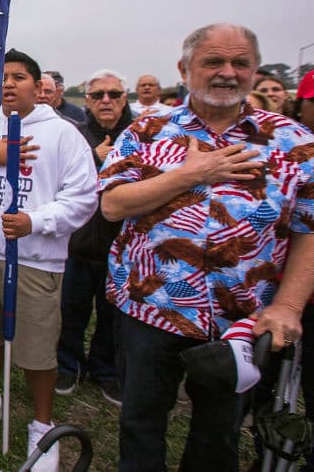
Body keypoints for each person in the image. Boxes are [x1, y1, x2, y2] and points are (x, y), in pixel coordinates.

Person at [100, 24, 314, 471]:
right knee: (141, 421)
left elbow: (307, 227)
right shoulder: (148, 131)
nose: (226, 73)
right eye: (213, 62)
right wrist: (189, 175)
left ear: (255, 71)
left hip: (241, 318)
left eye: (240, 63)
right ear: (185, 69)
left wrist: (291, 304)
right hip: (148, 306)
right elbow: (113, 205)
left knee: (218, 435)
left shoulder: (293, 143)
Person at [0, 50, 96, 471]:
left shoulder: (63, 134)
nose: (8, 84)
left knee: (36, 350)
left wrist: (36, 221)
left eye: (19, 77)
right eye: (2, 77)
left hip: (35, 260)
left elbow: (83, 198)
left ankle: (42, 425)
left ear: (37, 85)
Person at [56, 69, 134, 407]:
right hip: (78, 241)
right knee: (71, 308)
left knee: (111, 314)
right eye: (98, 95)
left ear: (124, 100)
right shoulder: (73, 134)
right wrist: (94, 157)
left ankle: (105, 371)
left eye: (114, 95)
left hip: (122, 245)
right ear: (87, 100)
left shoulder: (140, 135)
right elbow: (58, 178)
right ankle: (67, 365)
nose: (106, 101)